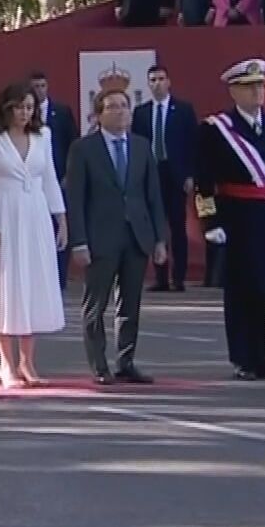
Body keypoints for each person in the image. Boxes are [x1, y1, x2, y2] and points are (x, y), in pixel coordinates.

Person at [0, 81, 67, 388]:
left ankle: (27, 362)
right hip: (0, 214)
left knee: (31, 284)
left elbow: (50, 179)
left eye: (30, 107)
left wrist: (61, 219)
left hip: (34, 216)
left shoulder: (43, 136)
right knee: (3, 286)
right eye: (19, 107)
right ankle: (6, 365)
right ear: (7, 107)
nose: (24, 113)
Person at [196, 59, 265, 381]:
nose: (257, 92)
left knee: (264, 290)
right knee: (239, 291)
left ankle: (262, 358)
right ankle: (242, 359)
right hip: (235, 218)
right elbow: (204, 180)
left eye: (261, 86)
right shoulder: (216, 129)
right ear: (234, 91)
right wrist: (210, 222)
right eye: (250, 87)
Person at [65, 83, 170, 386]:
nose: (120, 112)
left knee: (130, 303)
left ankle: (126, 361)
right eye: (112, 107)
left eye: (124, 106)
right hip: (100, 238)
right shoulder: (83, 149)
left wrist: (159, 239)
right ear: (98, 115)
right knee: (96, 304)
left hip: (136, 236)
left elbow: (153, 196)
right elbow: (76, 199)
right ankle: (99, 365)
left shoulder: (141, 146)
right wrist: (79, 241)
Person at [136, 66, 198, 292]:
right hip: (152, 174)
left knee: (177, 226)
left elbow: (193, 143)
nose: (157, 84)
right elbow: (137, 146)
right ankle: (160, 277)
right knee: (156, 226)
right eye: (152, 80)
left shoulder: (183, 110)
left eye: (161, 79)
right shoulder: (141, 112)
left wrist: (190, 174)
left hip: (176, 175)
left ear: (168, 82)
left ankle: (178, 277)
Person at [28, 71, 76, 293]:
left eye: (42, 86)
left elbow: (73, 144)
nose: (39, 90)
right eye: (35, 86)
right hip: (33, 182)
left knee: (60, 227)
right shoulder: (25, 115)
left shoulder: (62, 112)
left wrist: (68, 174)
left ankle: (59, 277)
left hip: (59, 179)